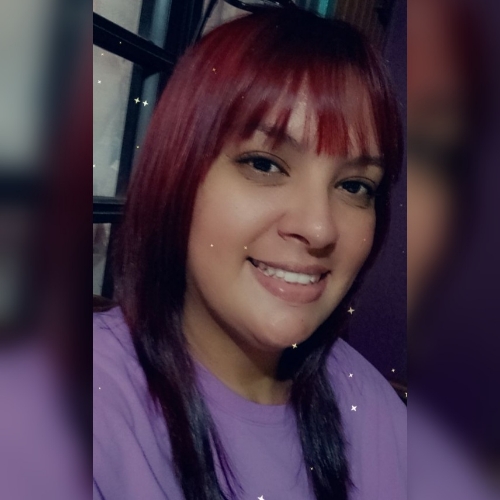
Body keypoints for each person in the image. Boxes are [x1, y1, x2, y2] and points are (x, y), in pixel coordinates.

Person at [93, 6, 406, 500]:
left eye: (354, 186)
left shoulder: (369, 405)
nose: (319, 227)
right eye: (264, 164)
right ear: (177, 175)